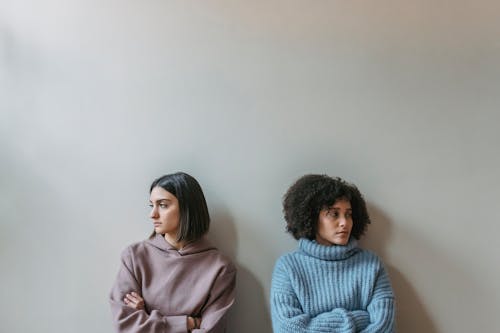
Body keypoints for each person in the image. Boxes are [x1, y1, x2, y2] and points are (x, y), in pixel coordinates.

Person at [109, 172, 236, 333]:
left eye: (163, 205)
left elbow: (212, 330)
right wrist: (189, 323)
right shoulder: (134, 257)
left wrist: (147, 316)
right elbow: (125, 326)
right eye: (151, 205)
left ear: (187, 208)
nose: (152, 214)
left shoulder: (220, 268)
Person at [270, 174, 395, 332]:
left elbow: (384, 327)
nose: (344, 222)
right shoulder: (287, 267)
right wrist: (359, 318)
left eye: (348, 214)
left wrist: (317, 322)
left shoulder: (371, 264)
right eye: (334, 214)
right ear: (311, 217)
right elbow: (286, 328)